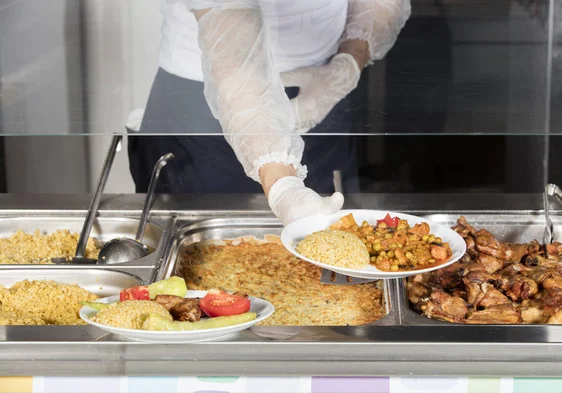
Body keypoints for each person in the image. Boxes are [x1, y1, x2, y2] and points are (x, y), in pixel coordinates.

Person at [128, 0, 411, 225]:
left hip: (322, 85)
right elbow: (232, 43)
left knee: (329, 248)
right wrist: (282, 184)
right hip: (210, 100)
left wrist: (347, 66)